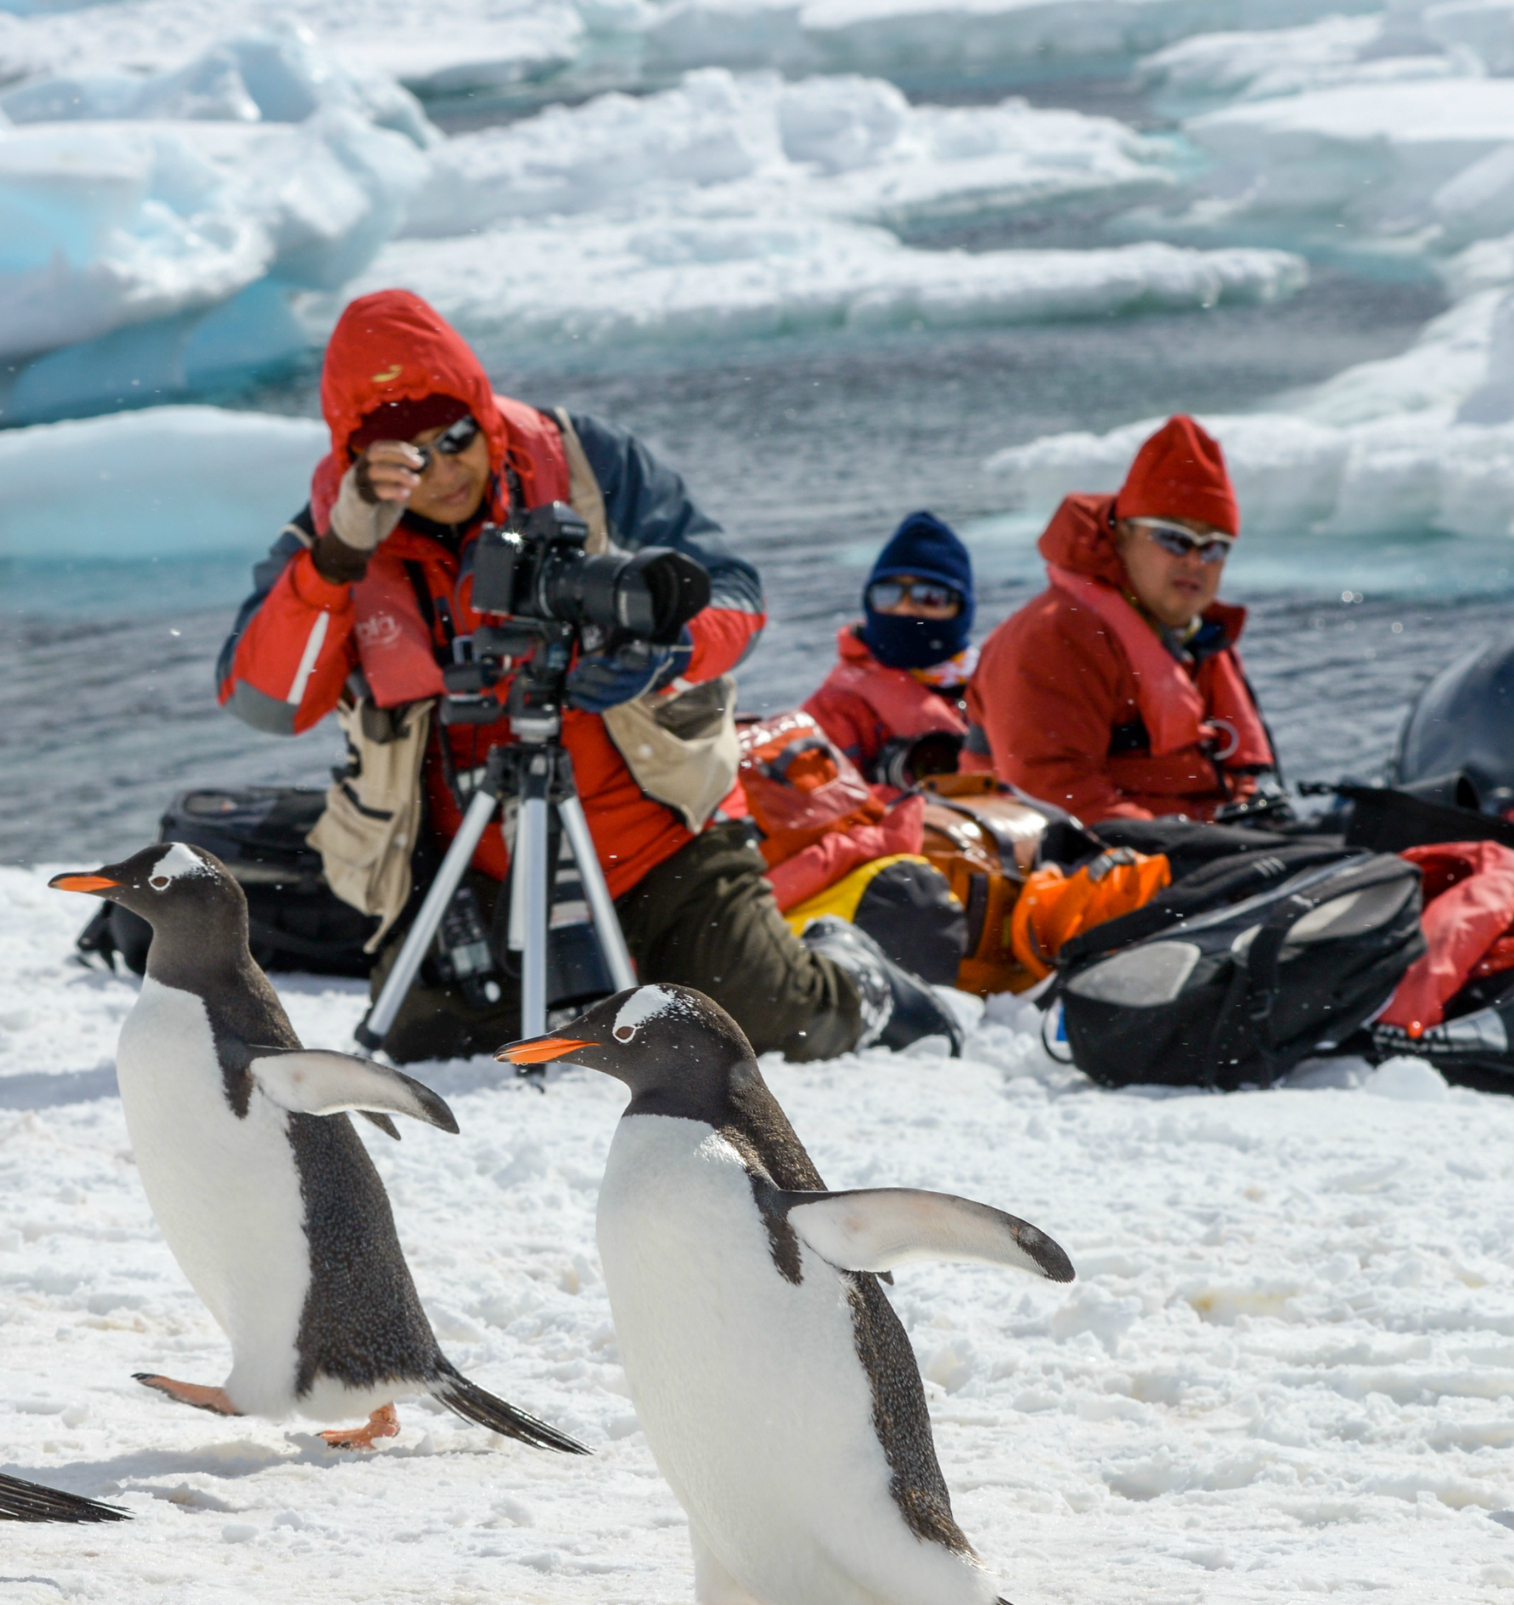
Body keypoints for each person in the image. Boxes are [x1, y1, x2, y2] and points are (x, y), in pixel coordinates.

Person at [217, 290, 950, 1061]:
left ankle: (856, 973)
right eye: (409, 457)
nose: (443, 471)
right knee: (433, 1048)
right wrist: (336, 560)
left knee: (769, 1024)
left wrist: (665, 652)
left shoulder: (580, 459)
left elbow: (737, 593)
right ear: (360, 460)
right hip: (470, 865)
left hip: (664, 831)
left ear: (483, 408)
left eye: (458, 434)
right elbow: (266, 703)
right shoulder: (329, 540)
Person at [968, 415, 1272, 823]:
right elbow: (1052, 797)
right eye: (1174, 538)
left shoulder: (1200, 638)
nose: (1195, 561)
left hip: (1199, 840)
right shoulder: (1055, 633)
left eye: (1215, 547)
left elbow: (1240, 777)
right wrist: (1202, 848)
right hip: (1078, 869)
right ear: (1124, 534)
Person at [802, 510, 977, 786]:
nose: (904, 608)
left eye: (929, 597)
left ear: (961, 609)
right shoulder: (837, 707)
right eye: (887, 593)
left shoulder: (996, 689)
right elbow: (822, 811)